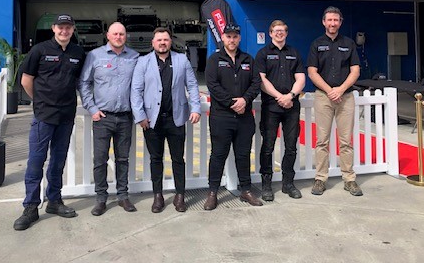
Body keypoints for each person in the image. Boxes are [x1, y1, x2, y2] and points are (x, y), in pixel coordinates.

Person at [13, 14, 86, 231]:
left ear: (73, 30)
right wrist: (40, 100)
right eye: (61, 27)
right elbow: (26, 80)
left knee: (58, 161)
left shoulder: (78, 52)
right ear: (54, 28)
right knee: (36, 161)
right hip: (44, 116)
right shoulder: (40, 50)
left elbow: (81, 81)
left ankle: (54, 201)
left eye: (68, 27)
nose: (65, 31)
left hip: (66, 116)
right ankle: (31, 207)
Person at [131, 27, 201, 213]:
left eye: (166, 40)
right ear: (153, 43)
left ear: (171, 42)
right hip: (152, 121)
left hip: (176, 119)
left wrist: (195, 108)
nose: (162, 43)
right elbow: (136, 91)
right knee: (156, 159)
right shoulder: (143, 62)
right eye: (159, 40)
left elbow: (193, 86)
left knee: (178, 159)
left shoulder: (181, 60)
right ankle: (158, 196)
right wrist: (140, 115)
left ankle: (180, 195)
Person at [78, 22, 139, 216]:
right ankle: (101, 198)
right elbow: (84, 83)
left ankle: (122, 196)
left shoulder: (135, 57)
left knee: (123, 159)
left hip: (125, 117)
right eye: (115, 34)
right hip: (102, 117)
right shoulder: (95, 56)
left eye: (122, 34)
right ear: (108, 36)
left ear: (126, 36)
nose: (118, 37)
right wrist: (92, 108)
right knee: (100, 159)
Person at [203, 24, 263, 210]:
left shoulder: (248, 59)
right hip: (222, 116)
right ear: (223, 37)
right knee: (218, 155)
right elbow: (212, 85)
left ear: (239, 38)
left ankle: (245, 190)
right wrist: (231, 103)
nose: (232, 40)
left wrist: (245, 100)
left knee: (243, 155)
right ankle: (212, 192)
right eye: (228, 36)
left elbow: (256, 83)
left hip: (244, 117)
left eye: (235, 36)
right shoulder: (214, 60)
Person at [306, 6, 362, 197]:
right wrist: (330, 91)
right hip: (324, 97)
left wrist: (341, 89)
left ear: (341, 22)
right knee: (322, 140)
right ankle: (320, 178)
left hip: (345, 97)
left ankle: (349, 179)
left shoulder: (349, 43)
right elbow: (312, 71)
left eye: (335, 20)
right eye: (329, 20)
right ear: (323, 22)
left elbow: (355, 70)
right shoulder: (316, 44)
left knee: (346, 141)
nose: (332, 23)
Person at [254, 19, 306, 201]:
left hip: (291, 106)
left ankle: (288, 183)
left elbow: (301, 78)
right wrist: (280, 97)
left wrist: (290, 96)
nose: (279, 33)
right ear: (270, 33)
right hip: (271, 106)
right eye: (276, 31)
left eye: (282, 30)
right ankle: (266, 184)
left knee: (291, 146)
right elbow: (262, 81)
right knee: (268, 146)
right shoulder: (262, 54)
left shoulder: (294, 53)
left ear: (286, 33)